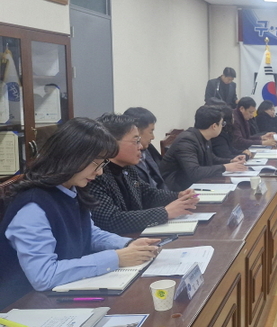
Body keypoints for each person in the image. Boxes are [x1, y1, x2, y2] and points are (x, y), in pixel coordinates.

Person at [0, 118, 160, 308]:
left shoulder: (70, 189)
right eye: (96, 164)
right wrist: (117, 258)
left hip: (60, 294)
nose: (100, 173)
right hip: (23, 306)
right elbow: (44, 276)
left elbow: (89, 233)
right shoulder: (33, 207)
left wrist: (127, 244)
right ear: (73, 157)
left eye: (103, 164)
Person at [87, 114, 198, 234]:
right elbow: (111, 220)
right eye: (136, 141)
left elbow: (147, 194)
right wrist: (164, 213)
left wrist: (178, 196)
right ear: (111, 143)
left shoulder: (127, 168)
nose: (140, 147)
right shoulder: (94, 174)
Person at [161, 105, 248, 191]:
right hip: (177, 189)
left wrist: (231, 161)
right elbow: (194, 172)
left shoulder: (204, 137)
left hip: (195, 184)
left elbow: (212, 159)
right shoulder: (186, 141)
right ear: (214, 126)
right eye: (222, 123)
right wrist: (225, 167)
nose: (222, 126)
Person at [123, 107, 167, 190]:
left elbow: (160, 181)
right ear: (137, 131)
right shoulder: (126, 159)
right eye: (151, 132)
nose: (153, 137)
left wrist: (175, 196)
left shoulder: (148, 149)